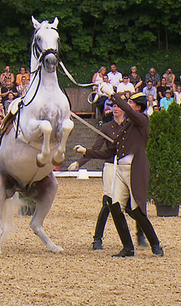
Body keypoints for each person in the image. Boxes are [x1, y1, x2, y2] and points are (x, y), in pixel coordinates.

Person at [76, 92, 163, 257]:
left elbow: (128, 112)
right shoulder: (127, 126)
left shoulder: (142, 119)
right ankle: (128, 247)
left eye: (130, 102)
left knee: (137, 211)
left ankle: (155, 244)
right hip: (120, 169)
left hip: (134, 169)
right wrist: (86, 151)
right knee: (115, 206)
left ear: (138, 106)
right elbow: (109, 152)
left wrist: (113, 95)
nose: (127, 105)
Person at [69, 99, 148, 250]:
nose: (116, 108)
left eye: (119, 106)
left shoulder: (131, 124)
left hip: (128, 166)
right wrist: (80, 162)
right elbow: (97, 148)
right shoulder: (106, 127)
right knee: (108, 202)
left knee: (134, 202)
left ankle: (141, 233)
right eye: (114, 106)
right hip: (111, 165)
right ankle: (97, 238)